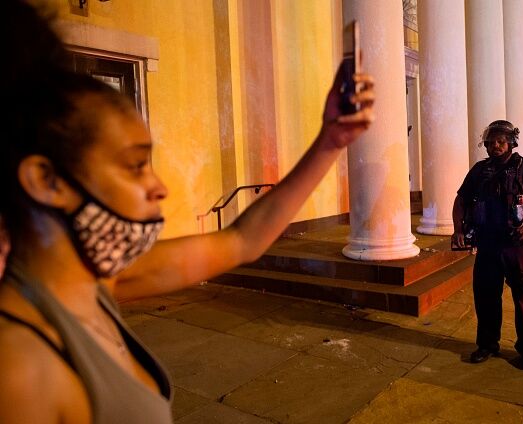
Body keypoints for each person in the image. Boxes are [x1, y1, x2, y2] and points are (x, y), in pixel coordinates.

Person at [0, 2, 375, 423]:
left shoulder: (98, 286)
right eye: (135, 165)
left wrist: (331, 140)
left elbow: (241, 241)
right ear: (47, 181)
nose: (158, 187)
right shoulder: (18, 367)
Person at [451, 120, 523, 370]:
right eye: (491, 142)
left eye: (501, 141)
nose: (495, 146)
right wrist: (458, 228)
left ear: (512, 142)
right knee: (486, 297)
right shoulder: (480, 170)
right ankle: (488, 344)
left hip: (518, 245)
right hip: (487, 245)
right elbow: (461, 199)